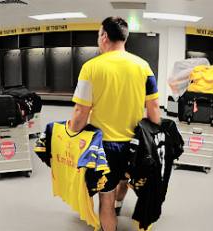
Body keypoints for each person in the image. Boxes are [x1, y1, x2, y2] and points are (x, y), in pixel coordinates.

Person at [70, 16, 161, 231]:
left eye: (98, 35)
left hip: (105, 146)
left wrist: (72, 135)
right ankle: (120, 204)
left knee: (105, 198)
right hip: (135, 144)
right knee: (125, 180)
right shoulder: (144, 66)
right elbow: (154, 109)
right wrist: (153, 141)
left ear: (105, 37)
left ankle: (112, 212)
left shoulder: (90, 68)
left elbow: (80, 113)